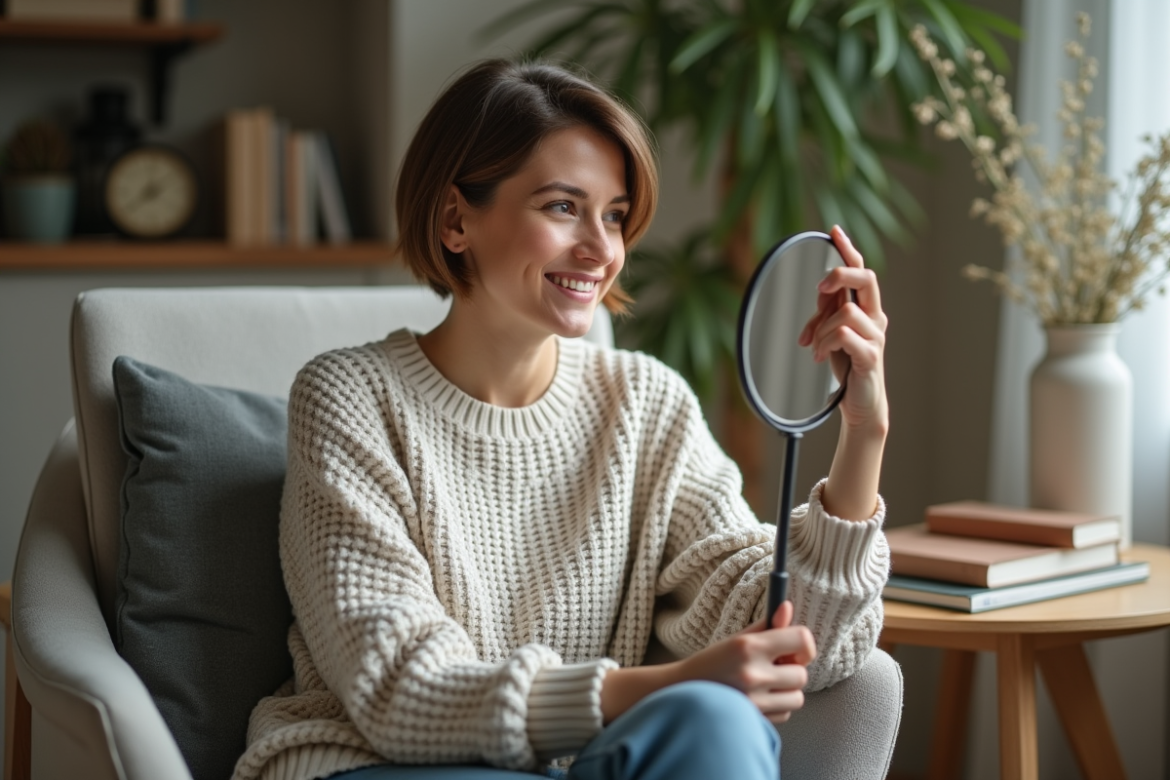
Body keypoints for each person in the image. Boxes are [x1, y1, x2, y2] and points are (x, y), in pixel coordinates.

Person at [232, 59, 891, 780]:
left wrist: (863, 435)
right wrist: (666, 685)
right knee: (701, 705)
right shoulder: (349, 397)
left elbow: (793, 641)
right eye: (561, 207)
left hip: (580, 766)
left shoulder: (647, 403)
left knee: (717, 722)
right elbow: (399, 686)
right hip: (377, 763)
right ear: (456, 220)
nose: (602, 249)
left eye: (612, 215)